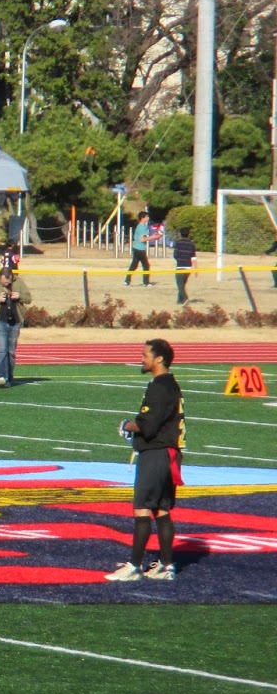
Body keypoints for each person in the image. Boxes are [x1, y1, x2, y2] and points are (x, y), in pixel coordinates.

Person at [108, 338, 184, 582]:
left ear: (159, 358)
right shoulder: (170, 385)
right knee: (161, 509)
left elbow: (147, 426)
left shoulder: (160, 386)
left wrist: (126, 425)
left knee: (142, 508)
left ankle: (134, 565)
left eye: (145, 354)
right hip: (169, 453)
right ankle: (166, 565)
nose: (142, 359)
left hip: (156, 453)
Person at [0, 268, 31, 389]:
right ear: (0, 278)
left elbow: (28, 299)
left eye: (8, 282)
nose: (7, 284)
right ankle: (1, 377)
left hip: (15, 322)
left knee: (11, 352)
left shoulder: (19, 283)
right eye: (4, 282)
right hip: (0, 322)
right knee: (2, 350)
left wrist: (19, 297)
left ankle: (9, 377)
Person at [124, 213, 152, 287]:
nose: (148, 218)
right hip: (140, 248)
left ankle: (127, 280)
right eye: (147, 217)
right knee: (146, 265)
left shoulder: (139, 226)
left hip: (136, 247)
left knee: (134, 265)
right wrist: (153, 237)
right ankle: (146, 282)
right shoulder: (142, 227)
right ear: (143, 218)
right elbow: (142, 239)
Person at [171, 229, 197, 304]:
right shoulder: (191, 244)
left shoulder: (178, 243)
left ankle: (185, 298)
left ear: (180, 234)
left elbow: (175, 255)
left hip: (180, 266)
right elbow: (193, 257)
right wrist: (195, 269)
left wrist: (179, 260)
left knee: (180, 284)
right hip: (188, 267)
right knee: (182, 284)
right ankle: (179, 300)